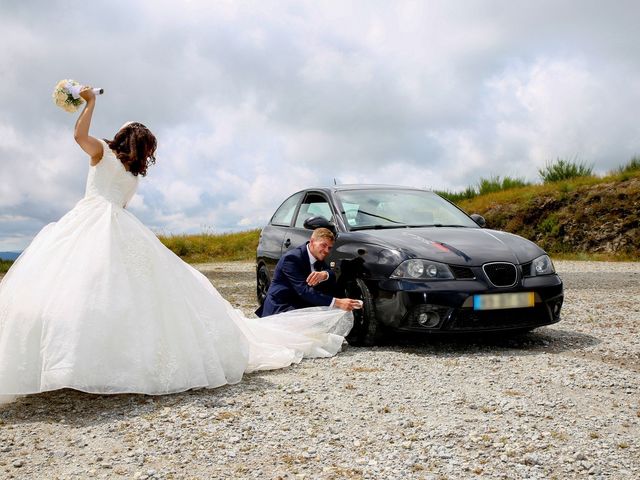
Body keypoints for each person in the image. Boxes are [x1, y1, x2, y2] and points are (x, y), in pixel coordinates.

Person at [0, 88, 352, 403]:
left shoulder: (103, 154)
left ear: (121, 137)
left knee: (75, 288)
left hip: (89, 219)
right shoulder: (134, 175)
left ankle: (70, 362)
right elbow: (119, 206)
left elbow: (78, 134)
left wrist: (88, 102)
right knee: (128, 293)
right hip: (119, 226)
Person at [256, 228, 362, 317]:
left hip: (301, 303)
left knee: (332, 287)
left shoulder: (317, 255)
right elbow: (304, 291)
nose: (326, 251)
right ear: (312, 241)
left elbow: (332, 275)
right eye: (323, 245)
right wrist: (338, 303)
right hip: (282, 307)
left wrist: (325, 274)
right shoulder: (292, 259)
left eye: (329, 247)